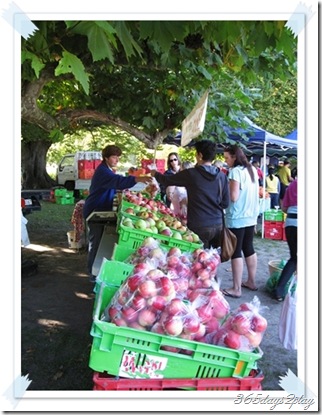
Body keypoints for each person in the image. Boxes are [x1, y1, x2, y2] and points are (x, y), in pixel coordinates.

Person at [83, 145, 152, 282]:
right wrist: (138, 178)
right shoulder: (103, 171)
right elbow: (118, 181)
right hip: (95, 211)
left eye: (118, 157)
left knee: (98, 242)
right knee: (96, 243)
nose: (117, 160)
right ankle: (92, 275)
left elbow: (115, 184)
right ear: (106, 158)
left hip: (99, 209)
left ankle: (95, 273)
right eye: (114, 157)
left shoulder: (107, 169)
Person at [150, 140, 230, 249]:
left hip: (199, 224)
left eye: (196, 154)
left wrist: (155, 173)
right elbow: (225, 203)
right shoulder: (222, 176)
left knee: (197, 259)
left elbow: (167, 180)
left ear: (200, 155)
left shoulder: (192, 174)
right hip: (218, 224)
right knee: (211, 260)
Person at [221, 145, 259, 298]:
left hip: (237, 216)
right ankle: (251, 281)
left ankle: (236, 288)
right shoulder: (252, 170)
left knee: (236, 251)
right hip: (251, 215)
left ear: (234, 157)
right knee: (248, 247)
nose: (225, 161)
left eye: (227, 158)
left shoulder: (235, 172)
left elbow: (234, 197)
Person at [273, 177, 298, 302]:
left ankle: (279, 290)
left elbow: (284, 208)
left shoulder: (293, 185)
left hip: (291, 223)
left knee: (294, 257)